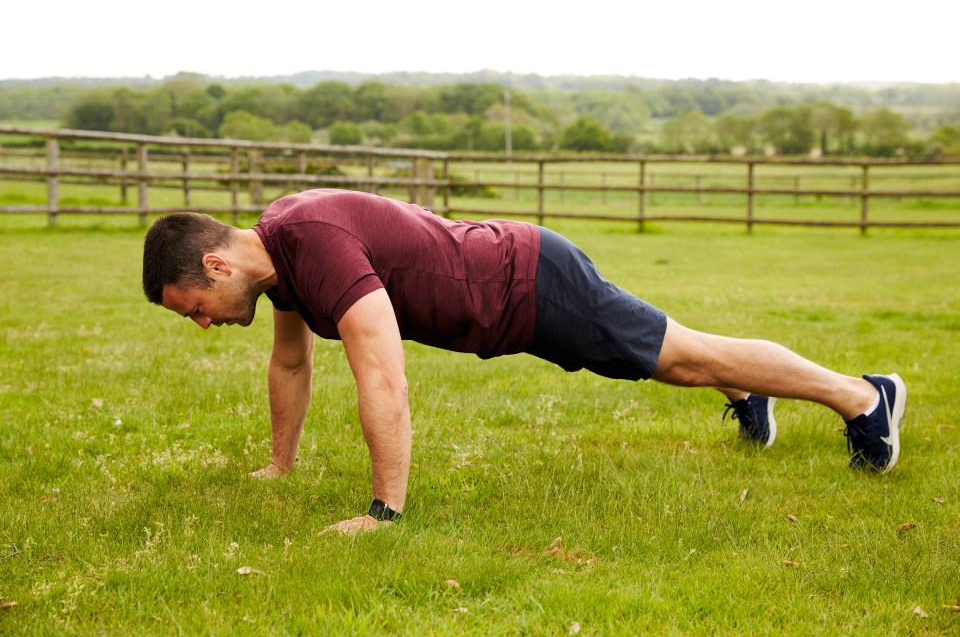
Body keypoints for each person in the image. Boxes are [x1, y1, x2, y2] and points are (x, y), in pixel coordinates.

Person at [142, 189, 906, 534]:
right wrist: (280, 466)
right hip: (514, 298)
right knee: (679, 357)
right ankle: (751, 391)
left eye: (194, 309)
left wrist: (385, 511)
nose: (204, 324)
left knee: (684, 358)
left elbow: (381, 374)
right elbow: (291, 365)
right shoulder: (281, 259)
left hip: (530, 284)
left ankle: (862, 398)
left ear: (213, 267)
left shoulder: (313, 243)